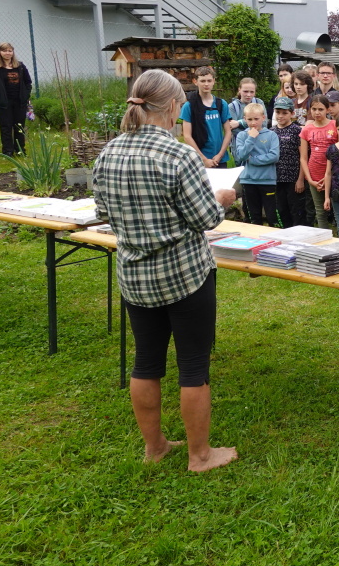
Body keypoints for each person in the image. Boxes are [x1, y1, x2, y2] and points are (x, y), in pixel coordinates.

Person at [91, 69, 237, 472]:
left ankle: (154, 447)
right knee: (193, 366)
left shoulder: (108, 152)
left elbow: (102, 212)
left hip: (134, 276)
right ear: (173, 106)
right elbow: (206, 217)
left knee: (146, 362)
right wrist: (222, 198)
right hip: (184, 275)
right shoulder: (179, 155)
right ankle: (200, 455)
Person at [234, 102, 280, 227]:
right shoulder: (242, 135)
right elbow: (241, 156)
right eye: (249, 119)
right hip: (248, 181)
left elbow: (274, 156)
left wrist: (253, 160)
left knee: (272, 216)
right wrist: (251, 138)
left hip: (267, 181)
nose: (253, 122)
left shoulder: (271, 135)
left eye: (256, 119)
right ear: (244, 119)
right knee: (253, 217)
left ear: (263, 118)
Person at [179, 67, 232, 169]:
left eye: (209, 81)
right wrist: (204, 159)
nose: (206, 84)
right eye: (203, 81)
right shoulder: (189, 106)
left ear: (214, 81)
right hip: (198, 159)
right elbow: (187, 136)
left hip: (220, 159)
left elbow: (228, 132)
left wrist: (220, 155)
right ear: (195, 82)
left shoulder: (221, 104)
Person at [0, 42, 32, 156]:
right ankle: (8, 152)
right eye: (5, 51)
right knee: (6, 127)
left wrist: (25, 95)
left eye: (10, 51)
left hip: (20, 102)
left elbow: (28, 82)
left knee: (19, 126)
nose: (7, 53)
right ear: (0, 52)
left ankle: (20, 150)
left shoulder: (20, 66)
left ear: (13, 52)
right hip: (3, 103)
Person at [299, 95, 338, 229]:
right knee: (320, 210)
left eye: (320, 109)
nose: (317, 112)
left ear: (327, 110)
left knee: (337, 208)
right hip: (314, 175)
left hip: (333, 174)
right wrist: (310, 180)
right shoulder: (307, 129)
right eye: (314, 109)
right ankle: (324, 236)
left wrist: (330, 175)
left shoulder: (335, 125)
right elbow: (303, 157)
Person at [270, 96, 305, 228]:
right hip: (277, 178)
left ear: (292, 113)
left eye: (284, 113)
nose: (280, 116)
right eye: (278, 112)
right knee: (282, 209)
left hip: (293, 178)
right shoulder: (271, 131)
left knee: (296, 210)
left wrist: (300, 179)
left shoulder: (297, 131)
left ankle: (299, 233)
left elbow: (303, 156)